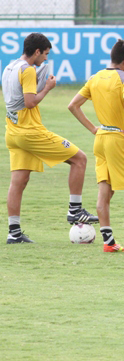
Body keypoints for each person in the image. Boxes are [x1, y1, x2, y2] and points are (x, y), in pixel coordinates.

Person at [3, 33, 96, 243]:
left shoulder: (10, 67)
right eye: (45, 54)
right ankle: (75, 210)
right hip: (30, 131)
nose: (45, 59)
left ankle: (14, 232)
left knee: (18, 181)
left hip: (13, 132)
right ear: (36, 51)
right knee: (79, 159)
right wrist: (47, 88)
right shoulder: (27, 70)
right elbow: (29, 102)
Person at [68, 40, 124, 253]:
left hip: (101, 138)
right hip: (119, 139)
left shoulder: (95, 78)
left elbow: (73, 105)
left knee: (105, 190)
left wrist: (93, 128)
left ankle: (109, 242)